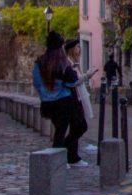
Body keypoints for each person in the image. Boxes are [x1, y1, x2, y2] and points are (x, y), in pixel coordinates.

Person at [32, 31, 90, 167]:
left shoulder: (39, 62)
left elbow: (36, 81)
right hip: (64, 101)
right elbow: (71, 81)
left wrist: (45, 95)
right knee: (63, 130)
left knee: (65, 128)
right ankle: (59, 159)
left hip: (47, 103)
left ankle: (69, 156)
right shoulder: (61, 63)